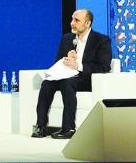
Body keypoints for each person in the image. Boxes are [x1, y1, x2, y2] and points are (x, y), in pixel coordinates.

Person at [32, 8, 112, 139]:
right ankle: (41, 126)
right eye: (72, 19)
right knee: (47, 83)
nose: (72, 23)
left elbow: (103, 67)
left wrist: (78, 65)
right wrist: (66, 58)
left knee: (67, 83)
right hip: (65, 75)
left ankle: (68, 128)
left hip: (85, 78)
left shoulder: (101, 40)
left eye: (76, 20)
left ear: (87, 23)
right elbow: (57, 61)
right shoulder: (67, 39)